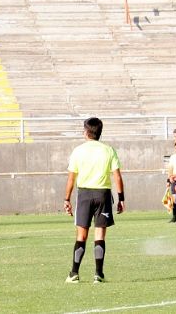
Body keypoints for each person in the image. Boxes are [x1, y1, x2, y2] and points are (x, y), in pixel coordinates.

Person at [63, 117, 125, 284]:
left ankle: (74, 273)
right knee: (100, 235)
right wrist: (121, 198)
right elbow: (117, 176)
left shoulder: (78, 151)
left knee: (81, 235)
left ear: (86, 132)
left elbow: (71, 179)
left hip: (84, 195)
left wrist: (67, 199)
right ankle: (98, 274)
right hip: (103, 195)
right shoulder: (108, 150)